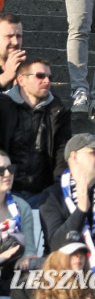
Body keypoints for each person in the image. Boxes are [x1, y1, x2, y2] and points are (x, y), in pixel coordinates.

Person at [39, 133, 95, 277]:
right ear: (74, 156)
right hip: (62, 274)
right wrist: (81, 210)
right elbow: (57, 244)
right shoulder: (52, 196)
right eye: (94, 152)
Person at [0, 58, 70, 207]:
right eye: (40, 76)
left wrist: (56, 190)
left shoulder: (57, 111)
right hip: (6, 191)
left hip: (42, 195)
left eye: (49, 77)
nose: (46, 81)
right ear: (21, 80)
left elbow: (62, 154)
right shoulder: (3, 107)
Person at [6, 230, 95, 299]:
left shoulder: (90, 288)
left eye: (82, 252)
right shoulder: (27, 287)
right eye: (72, 252)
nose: (78, 256)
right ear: (55, 257)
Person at [0, 14, 24, 93]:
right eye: (9, 36)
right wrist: (6, 76)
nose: (15, 42)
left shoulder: (30, 68)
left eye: (19, 36)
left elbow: (52, 102)